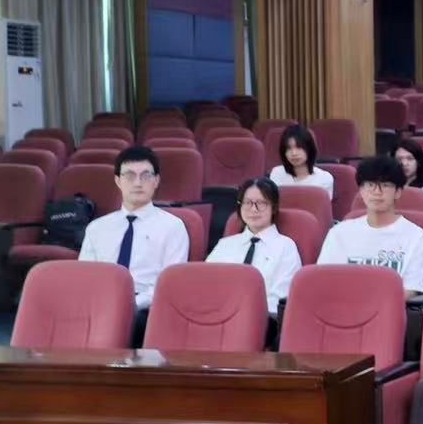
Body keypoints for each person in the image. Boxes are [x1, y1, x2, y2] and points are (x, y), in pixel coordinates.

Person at [78, 145, 190, 310]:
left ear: (156, 181)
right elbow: (84, 278)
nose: (138, 183)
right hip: (100, 305)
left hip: (146, 308)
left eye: (145, 176)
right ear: (118, 181)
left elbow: (171, 282)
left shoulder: (173, 227)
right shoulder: (97, 228)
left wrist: (131, 305)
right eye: (130, 176)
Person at [317, 156, 423, 294]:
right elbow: (325, 281)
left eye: (385, 185)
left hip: (391, 307)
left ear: (398, 192)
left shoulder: (417, 237)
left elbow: (411, 289)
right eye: (370, 185)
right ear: (361, 191)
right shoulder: (339, 233)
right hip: (343, 305)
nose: (377, 192)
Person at [206, 177, 301, 314]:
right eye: (247, 203)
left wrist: (245, 315)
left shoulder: (286, 247)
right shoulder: (225, 244)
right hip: (218, 316)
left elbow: (280, 297)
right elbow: (206, 283)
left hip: (264, 319)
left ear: (274, 207)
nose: (253, 209)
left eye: (261, 203)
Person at [270, 125, 333, 201]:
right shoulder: (277, 173)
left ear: (309, 149)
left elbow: (323, 207)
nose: (294, 153)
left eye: (299, 147)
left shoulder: (324, 178)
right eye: (289, 148)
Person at [394, 137, 423, 219]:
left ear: (418, 162)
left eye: (410, 159)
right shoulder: (388, 189)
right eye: (399, 159)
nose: (404, 163)